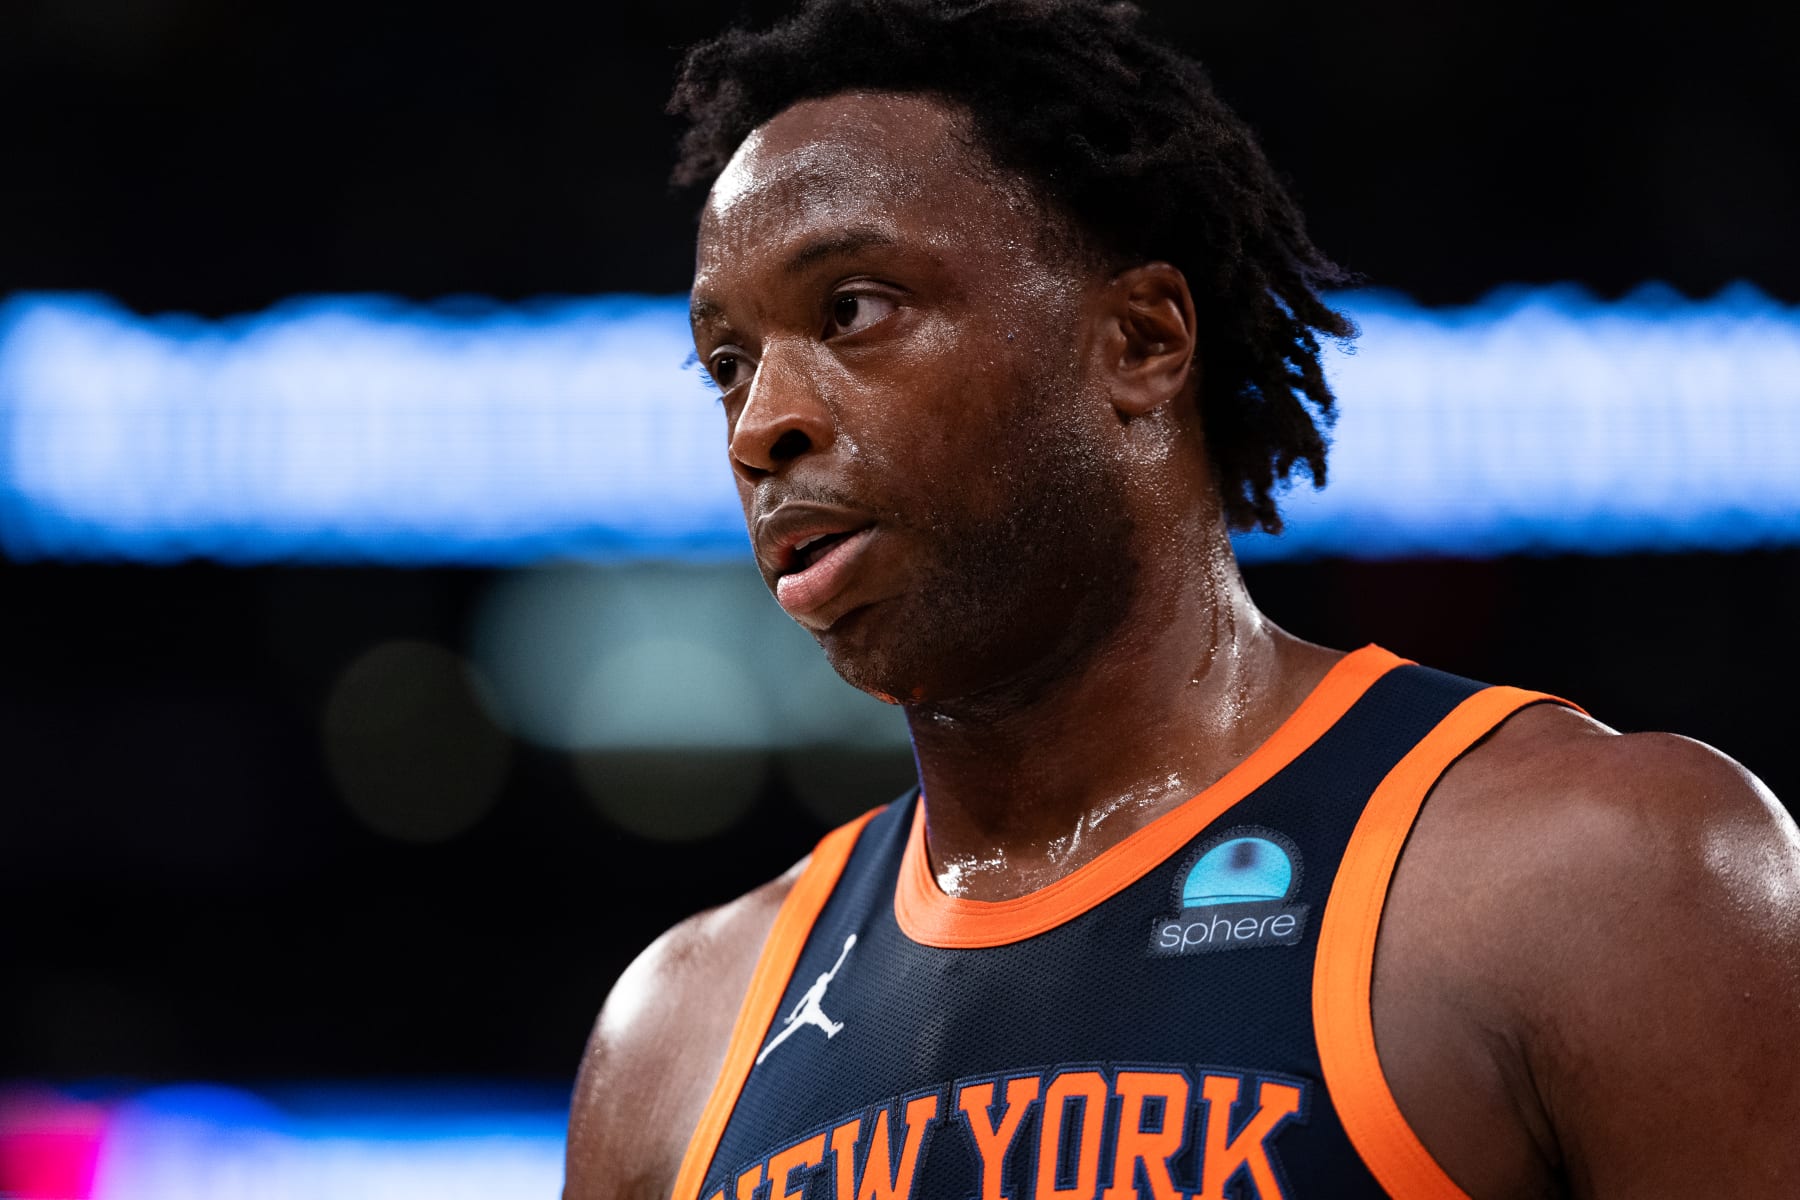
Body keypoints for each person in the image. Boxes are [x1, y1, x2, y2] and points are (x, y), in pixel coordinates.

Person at [564, 2, 1800, 1197]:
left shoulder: (1611, 874)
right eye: (728, 364)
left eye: (855, 310)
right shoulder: (675, 1037)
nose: (763, 424)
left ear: (1143, 341)